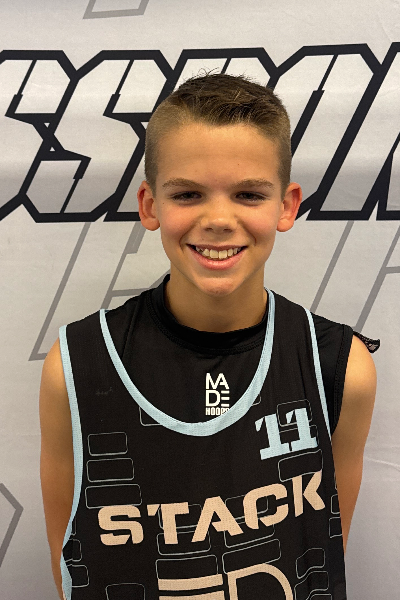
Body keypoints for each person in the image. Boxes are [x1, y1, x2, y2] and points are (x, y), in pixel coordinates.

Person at [40, 72, 379, 600]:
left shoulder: (339, 367)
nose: (219, 219)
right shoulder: (77, 368)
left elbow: (324, 549)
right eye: (188, 194)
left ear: (287, 205)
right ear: (149, 205)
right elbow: (70, 566)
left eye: (248, 194)